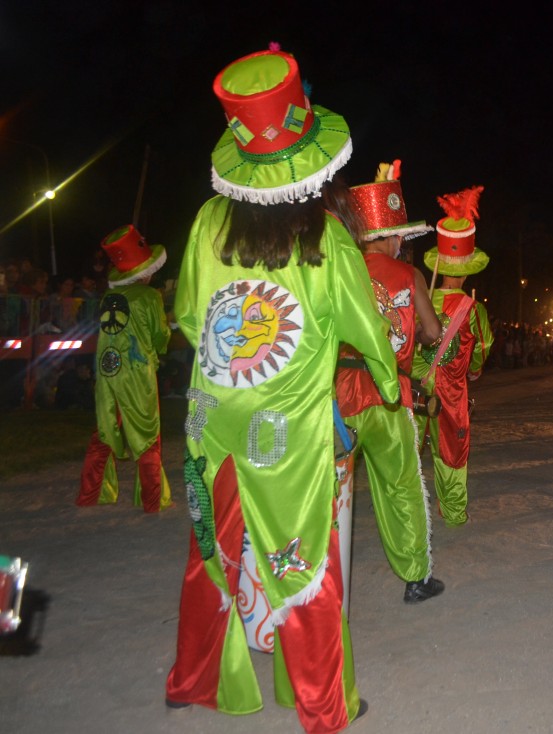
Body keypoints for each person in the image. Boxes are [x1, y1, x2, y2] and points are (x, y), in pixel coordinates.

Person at [165, 47, 398, 732]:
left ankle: (190, 679)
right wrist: (387, 379)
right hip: (285, 433)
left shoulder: (207, 222)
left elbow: (186, 313)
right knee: (305, 563)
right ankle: (326, 706)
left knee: (209, 547)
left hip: (211, 417)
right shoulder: (328, 237)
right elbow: (368, 332)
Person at [334, 160, 446, 604]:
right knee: (399, 484)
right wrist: (414, 331)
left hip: (341, 393)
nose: (403, 243)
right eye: (400, 235)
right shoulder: (411, 275)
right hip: (390, 395)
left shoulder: (342, 269)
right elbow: (434, 333)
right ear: (390, 235)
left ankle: (311, 576)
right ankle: (416, 578)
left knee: (327, 483)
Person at [412, 186, 494, 528]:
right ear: (467, 269)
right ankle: (454, 511)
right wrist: (472, 370)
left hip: (414, 385)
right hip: (451, 390)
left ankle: (410, 512)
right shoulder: (473, 309)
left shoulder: (420, 297)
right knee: (451, 453)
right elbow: (483, 348)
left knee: (409, 450)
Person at [76, 225, 172, 513]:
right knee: (146, 435)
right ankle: (153, 500)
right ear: (147, 270)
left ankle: (91, 494)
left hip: (107, 372)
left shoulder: (108, 298)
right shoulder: (150, 296)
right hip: (136, 374)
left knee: (104, 430)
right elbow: (159, 336)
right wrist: (163, 341)